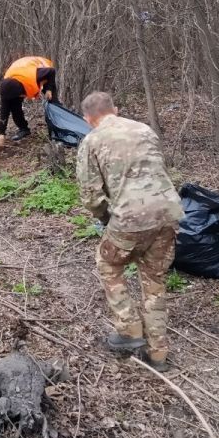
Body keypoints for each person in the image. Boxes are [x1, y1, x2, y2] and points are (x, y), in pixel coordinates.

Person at [76, 91, 182, 370]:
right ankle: (158, 353)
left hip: (130, 219)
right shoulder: (144, 130)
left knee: (108, 263)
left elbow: (90, 195)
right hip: (168, 213)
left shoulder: (92, 140)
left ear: (88, 119)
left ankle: (129, 330)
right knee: (154, 280)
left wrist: (104, 217)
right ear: (116, 109)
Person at [0, 56, 57, 148]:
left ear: (22, 90)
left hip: (43, 71)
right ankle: (24, 129)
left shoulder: (34, 76)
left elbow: (52, 71)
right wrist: (1, 133)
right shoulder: (7, 89)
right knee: (14, 107)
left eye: (21, 95)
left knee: (52, 102)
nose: (23, 97)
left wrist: (49, 89)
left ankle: (56, 130)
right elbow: (4, 112)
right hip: (21, 74)